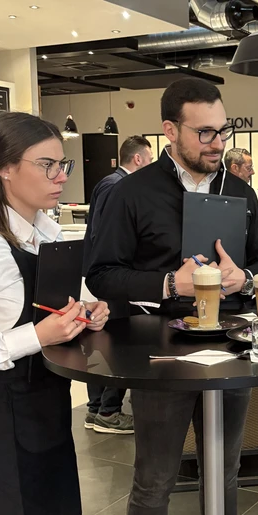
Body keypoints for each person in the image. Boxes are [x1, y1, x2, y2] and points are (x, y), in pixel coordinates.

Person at [85, 78, 258, 515]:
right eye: (204, 132)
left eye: (223, 130)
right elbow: (101, 274)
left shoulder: (240, 191)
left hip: (232, 346)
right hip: (159, 353)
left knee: (225, 471)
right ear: (170, 131)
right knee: (154, 479)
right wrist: (171, 284)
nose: (218, 143)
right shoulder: (131, 192)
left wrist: (246, 277)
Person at [0, 112, 109, 515]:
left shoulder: (50, 233)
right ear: (5, 168)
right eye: (47, 165)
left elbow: (71, 299)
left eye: (62, 164)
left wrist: (89, 311)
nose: (61, 177)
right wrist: (34, 336)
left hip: (48, 413)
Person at [82, 135, 153, 435]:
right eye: (150, 160)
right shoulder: (118, 186)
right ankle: (108, 412)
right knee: (119, 343)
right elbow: (108, 236)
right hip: (114, 275)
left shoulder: (109, 183)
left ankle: (96, 409)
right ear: (138, 159)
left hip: (107, 273)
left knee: (107, 340)